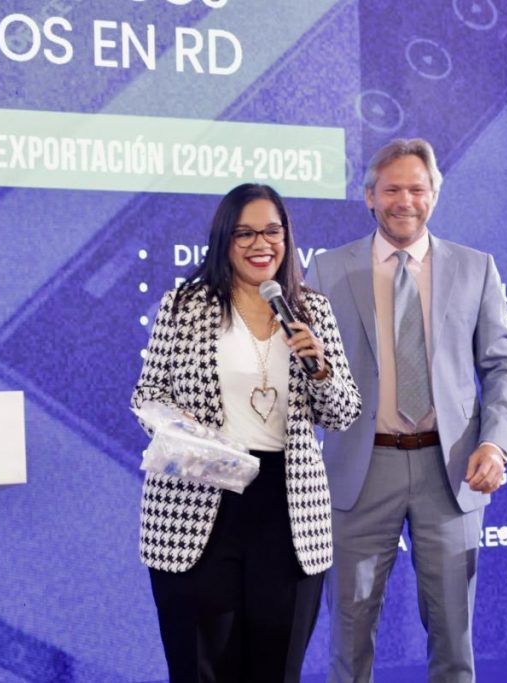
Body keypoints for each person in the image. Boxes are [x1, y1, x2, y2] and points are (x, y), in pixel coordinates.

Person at [305, 138, 507, 683]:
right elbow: (304, 375)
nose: (405, 201)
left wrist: (494, 443)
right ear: (369, 196)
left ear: (434, 195)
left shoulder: (476, 268)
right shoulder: (327, 271)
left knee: (453, 634)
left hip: (449, 469)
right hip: (359, 469)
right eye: (392, 189)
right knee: (349, 634)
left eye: (417, 189)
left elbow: (503, 366)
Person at [131, 183, 362, 682]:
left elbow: (343, 413)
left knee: (275, 669)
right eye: (246, 233)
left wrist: (321, 369)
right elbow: (147, 394)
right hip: (198, 498)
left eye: (272, 232)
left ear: (287, 238)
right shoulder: (184, 306)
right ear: (225, 240)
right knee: (199, 669)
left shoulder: (312, 310)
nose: (262, 244)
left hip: (287, 508)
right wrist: (187, 436)